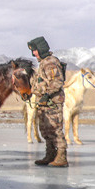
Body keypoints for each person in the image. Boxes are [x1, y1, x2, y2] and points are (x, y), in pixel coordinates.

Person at [28, 36, 68, 167]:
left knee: (55, 129)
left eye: (35, 50)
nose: (34, 53)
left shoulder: (50, 62)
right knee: (45, 130)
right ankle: (50, 155)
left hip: (52, 102)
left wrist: (46, 95)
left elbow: (57, 81)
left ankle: (61, 156)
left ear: (41, 49)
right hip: (44, 103)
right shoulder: (43, 63)